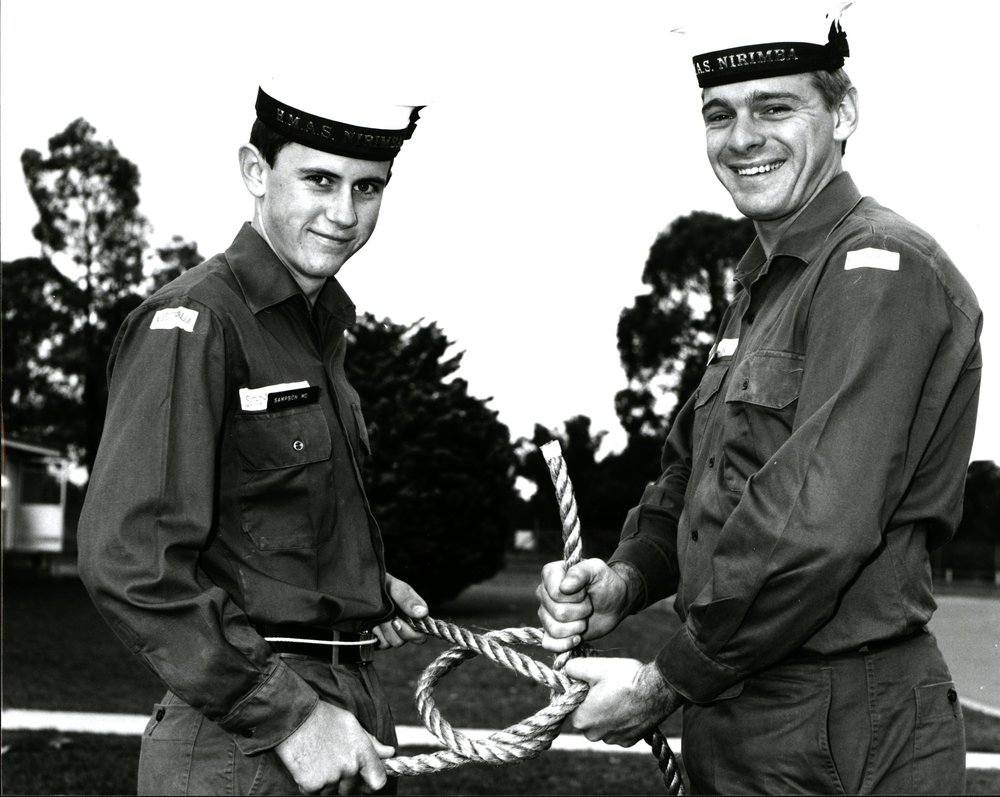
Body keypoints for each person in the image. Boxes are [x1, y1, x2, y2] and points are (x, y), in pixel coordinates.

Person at [537, 5, 982, 794]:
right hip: (748, 705)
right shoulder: (765, 287)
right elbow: (693, 481)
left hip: (838, 711)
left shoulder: (879, 269)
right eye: (720, 114)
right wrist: (625, 580)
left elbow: (815, 525)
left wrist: (663, 682)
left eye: (775, 107)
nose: (742, 138)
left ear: (843, 113)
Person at [77, 78, 430, 795]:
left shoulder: (319, 330)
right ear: (255, 172)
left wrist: (360, 589)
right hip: (248, 736)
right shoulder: (194, 321)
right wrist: (291, 718)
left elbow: (265, 520)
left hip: (342, 711)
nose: (343, 213)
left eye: (369, 188)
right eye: (320, 180)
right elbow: (130, 560)